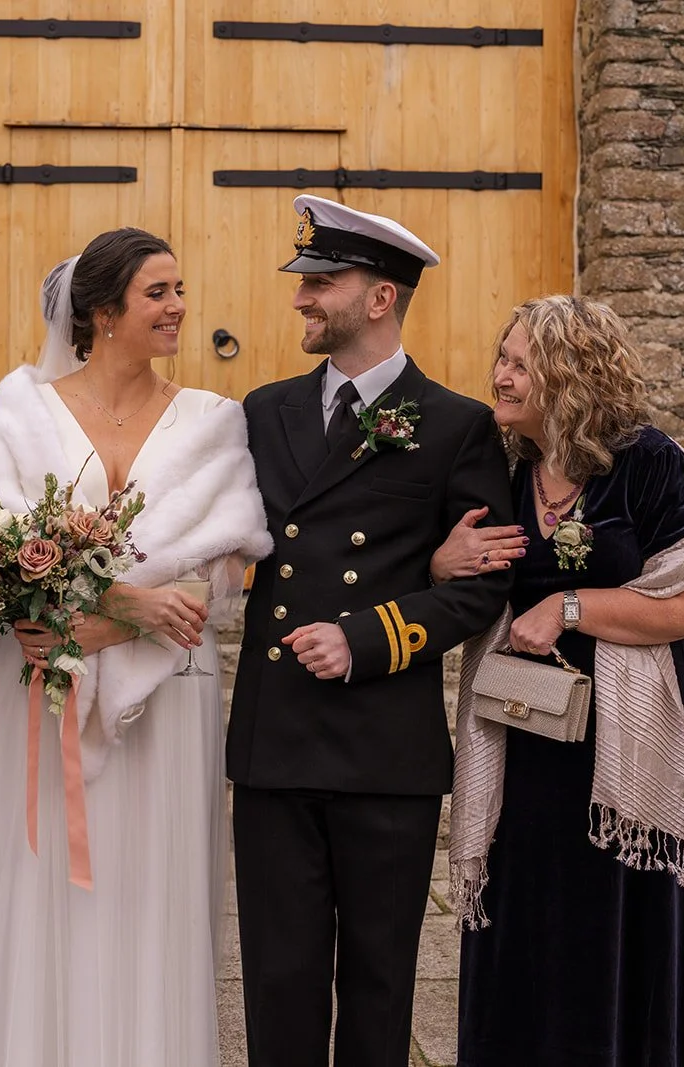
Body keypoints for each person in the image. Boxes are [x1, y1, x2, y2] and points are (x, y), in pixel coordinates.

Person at [0, 229, 273, 1066]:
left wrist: (130, 618)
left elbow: (226, 563)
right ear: (103, 312)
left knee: (148, 892)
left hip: (166, 697)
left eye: (180, 289)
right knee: (32, 886)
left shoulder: (215, 420)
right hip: (39, 687)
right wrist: (102, 607)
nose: (179, 307)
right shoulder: (22, 408)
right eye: (158, 293)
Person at [228, 195, 516, 1067]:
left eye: (322, 281)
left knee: (380, 978)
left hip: (382, 744)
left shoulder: (457, 424)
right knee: (277, 976)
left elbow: (484, 587)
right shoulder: (263, 409)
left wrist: (368, 634)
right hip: (275, 736)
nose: (302, 298)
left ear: (380, 297)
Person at [443, 295, 684, 1066]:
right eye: (501, 358)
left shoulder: (648, 464)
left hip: (627, 747)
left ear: (568, 375)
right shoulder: (501, 467)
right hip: (525, 740)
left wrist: (568, 606)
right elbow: (460, 572)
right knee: (528, 923)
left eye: (518, 363)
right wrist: (443, 563)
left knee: (618, 929)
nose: (498, 376)